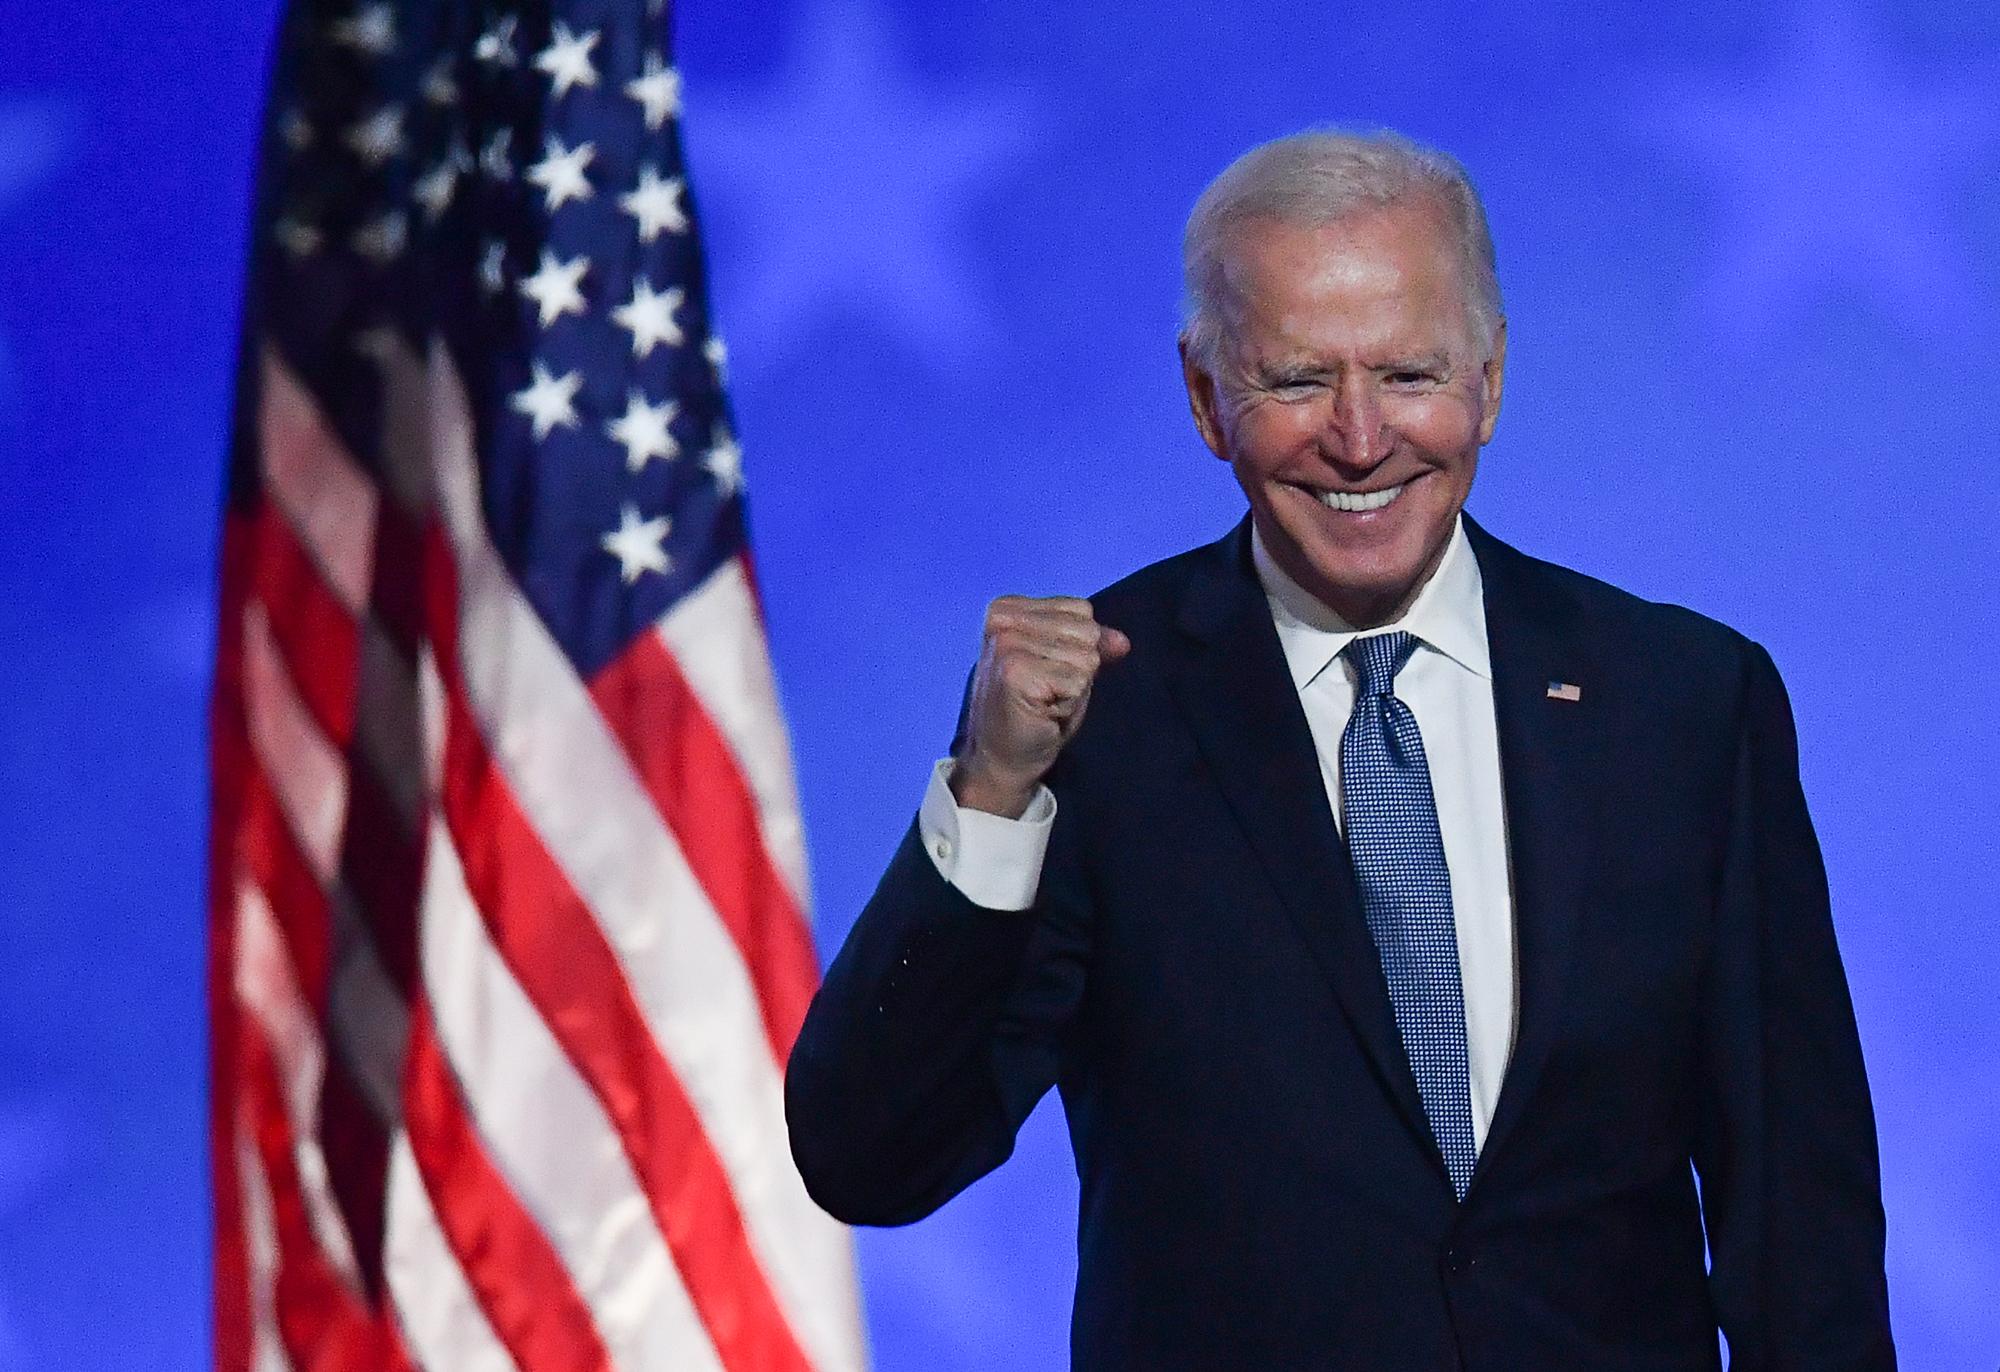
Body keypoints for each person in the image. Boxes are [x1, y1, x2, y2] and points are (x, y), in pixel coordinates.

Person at [785, 128, 1894, 1369]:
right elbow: (868, 1158)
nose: (1360, 441)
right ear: (1205, 397)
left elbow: (1799, 1226)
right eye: (1298, 380)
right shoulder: (1096, 715)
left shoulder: (1683, 701)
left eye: (1409, 373)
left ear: (1489, 374)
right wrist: (991, 793)